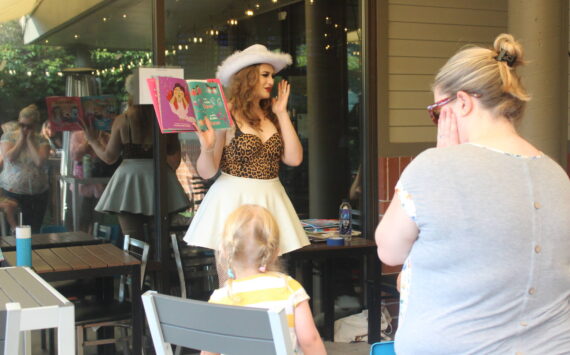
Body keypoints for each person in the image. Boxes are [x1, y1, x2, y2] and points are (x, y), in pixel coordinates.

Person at [375, 33, 570, 353]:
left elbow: (389, 251)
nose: (436, 121)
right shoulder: (556, 174)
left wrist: (442, 157)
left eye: (437, 111)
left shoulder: (433, 168)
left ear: (463, 102)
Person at [183, 44, 310, 286]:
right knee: (232, 283)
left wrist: (282, 113)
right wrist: (207, 147)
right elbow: (208, 171)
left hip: (271, 197)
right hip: (232, 200)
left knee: (271, 280)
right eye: (265, 74)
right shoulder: (225, 113)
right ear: (247, 77)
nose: (271, 81)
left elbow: (294, 159)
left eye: (272, 75)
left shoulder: (272, 114)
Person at [203, 204, 326, 355]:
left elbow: (209, 352)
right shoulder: (289, 289)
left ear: (224, 251)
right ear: (275, 252)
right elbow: (310, 341)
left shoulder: (220, 299)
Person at [82, 75, 190, 242]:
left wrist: (93, 140)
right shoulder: (165, 118)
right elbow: (174, 157)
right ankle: (160, 268)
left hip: (129, 181)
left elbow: (109, 157)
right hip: (160, 179)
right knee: (160, 241)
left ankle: (137, 268)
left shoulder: (123, 120)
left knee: (133, 242)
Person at [0, 104, 51, 232]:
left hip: (37, 192)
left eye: (29, 126)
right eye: (22, 125)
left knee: (33, 230)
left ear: (35, 125)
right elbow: (9, 158)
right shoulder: (8, 137)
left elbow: (39, 161)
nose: (25, 129)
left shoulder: (42, 140)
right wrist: (21, 140)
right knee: (12, 231)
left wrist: (29, 141)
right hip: (13, 190)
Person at [69, 130, 111, 233]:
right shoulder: (77, 135)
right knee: (81, 221)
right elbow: (75, 156)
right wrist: (89, 140)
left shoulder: (106, 136)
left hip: (101, 187)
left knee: (98, 223)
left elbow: (110, 157)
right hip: (82, 188)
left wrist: (100, 140)